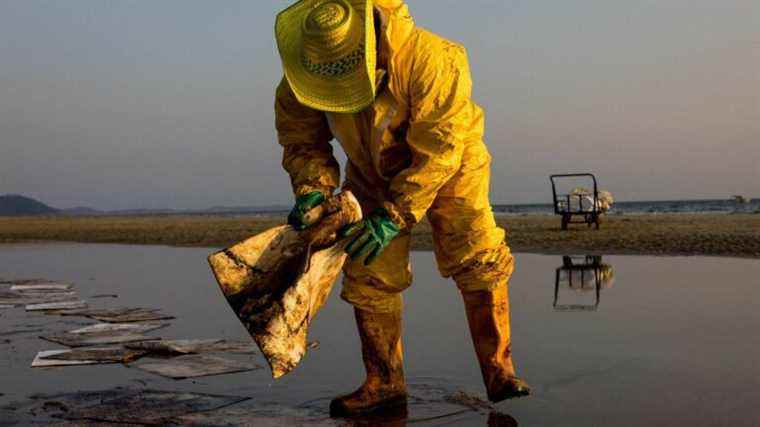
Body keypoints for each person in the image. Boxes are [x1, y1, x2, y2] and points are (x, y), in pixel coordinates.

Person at [274, 0, 530, 417]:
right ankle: (384, 382)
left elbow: (439, 149)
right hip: (371, 168)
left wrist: (396, 214)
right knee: (367, 266)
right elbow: (303, 142)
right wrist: (313, 191)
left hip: (451, 162)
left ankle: (499, 370)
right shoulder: (304, 74)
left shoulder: (433, 59)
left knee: (476, 253)